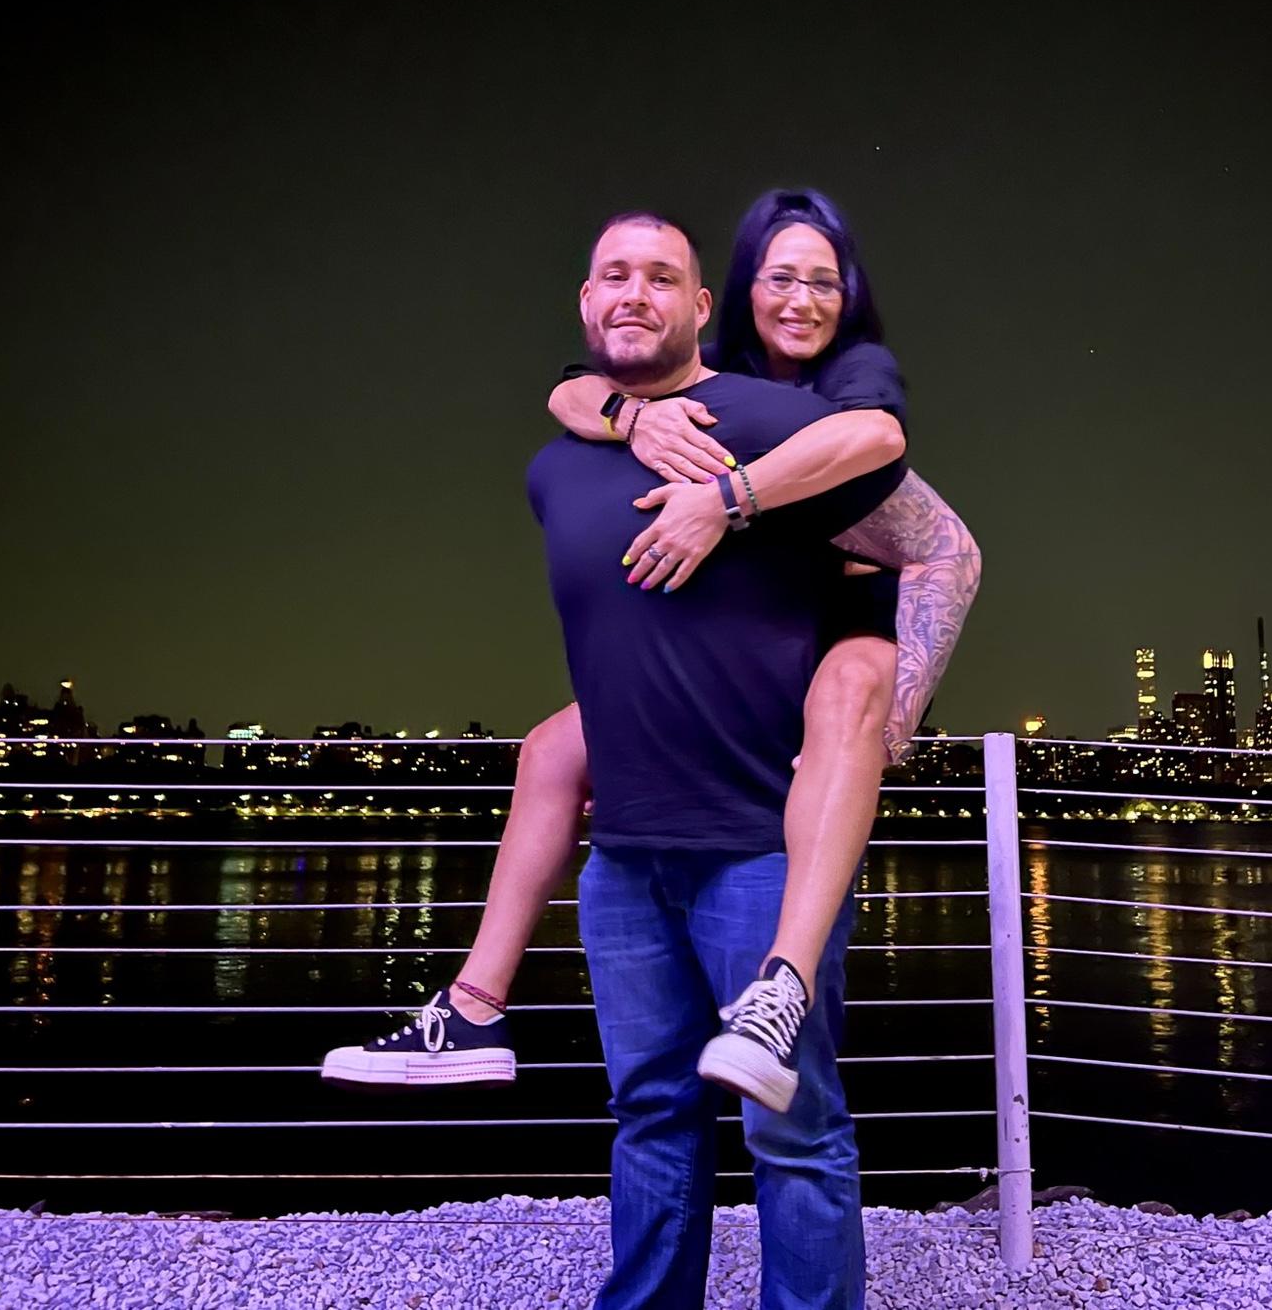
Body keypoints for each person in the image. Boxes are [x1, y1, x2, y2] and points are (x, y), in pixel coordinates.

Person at [321, 192, 978, 1119]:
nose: (800, 301)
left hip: (849, 618)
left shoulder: (849, 375)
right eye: (780, 279)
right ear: (734, 295)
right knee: (551, 749)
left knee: (850, 702)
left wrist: (730, 500)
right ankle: (473, 1009)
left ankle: (782, 987)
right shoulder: (711, 375)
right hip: (750, 633)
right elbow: (575, 386)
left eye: (824, 284)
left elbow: (895, 467)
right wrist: (630, 416)